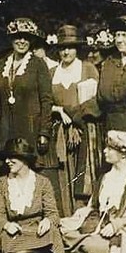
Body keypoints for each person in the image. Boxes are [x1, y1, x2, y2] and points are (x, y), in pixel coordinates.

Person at [41, 25, 103, 216]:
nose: (66, 52)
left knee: (85, 172)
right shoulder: (51, 73)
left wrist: (76, 119)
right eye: (62, 48)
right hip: (60, 130)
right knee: (63, 171)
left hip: (85, 129)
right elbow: (45, 101)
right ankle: (65, 214)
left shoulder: (88, 68)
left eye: (70, 47)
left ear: (77, 49)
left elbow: (96, 100)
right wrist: (58, 110)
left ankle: (85, 214)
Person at [61, 130, 126, 253]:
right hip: (101, 226)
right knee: (65, 230)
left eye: (110, 149)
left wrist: (118, 224)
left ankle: (104, 248)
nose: (104, 151)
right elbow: (93, 207)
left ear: (124, 155)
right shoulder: (105, 177)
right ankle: (96, 246)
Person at [0, 138, 64, 253]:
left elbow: (53, 214)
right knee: (5, 237)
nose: (7, 162)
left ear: (24, 158)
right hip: (15, 232)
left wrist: (47, 221)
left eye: (11, 158)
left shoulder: (42, 182)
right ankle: (39, 251)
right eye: (6, 158)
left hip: (37, 231)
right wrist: (6, 225)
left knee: (52, 233)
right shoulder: (0, 183)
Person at [0, 18, 52, 156]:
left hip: (31, 129)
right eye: (18, 37)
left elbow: (46, 100)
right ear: (11, 39)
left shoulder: (38, 64)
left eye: (26, 38)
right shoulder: (1, 65)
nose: (22, 41)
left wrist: (44, 132)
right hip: (6, 130)